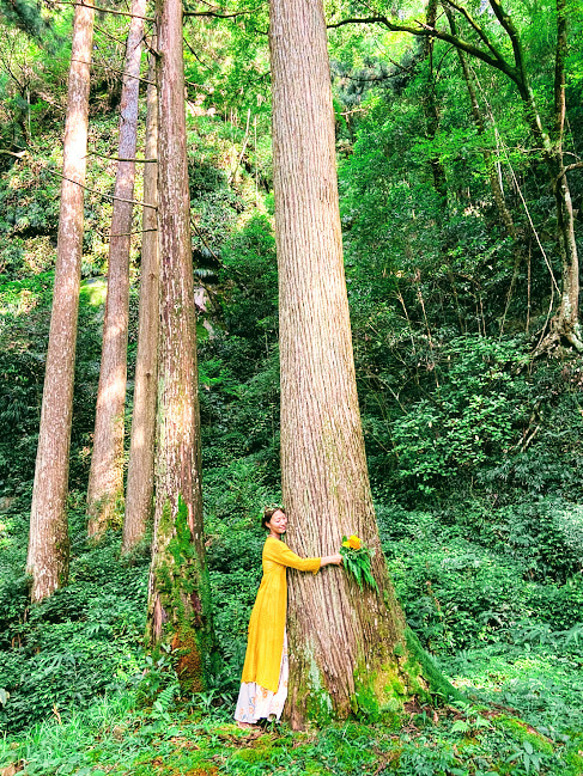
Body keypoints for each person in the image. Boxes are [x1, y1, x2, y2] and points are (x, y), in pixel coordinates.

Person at [235, 506, 342, 727]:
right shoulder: (273, 545)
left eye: (284, 519)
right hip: (268, 607)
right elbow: (301, 564)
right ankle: (248, 714)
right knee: (265, 655)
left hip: (274, 605)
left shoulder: (276, 543)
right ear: (267, 524)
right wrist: (331, 559)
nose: (282, 522)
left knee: (271, 654)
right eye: (277, 519)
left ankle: (261, 710)